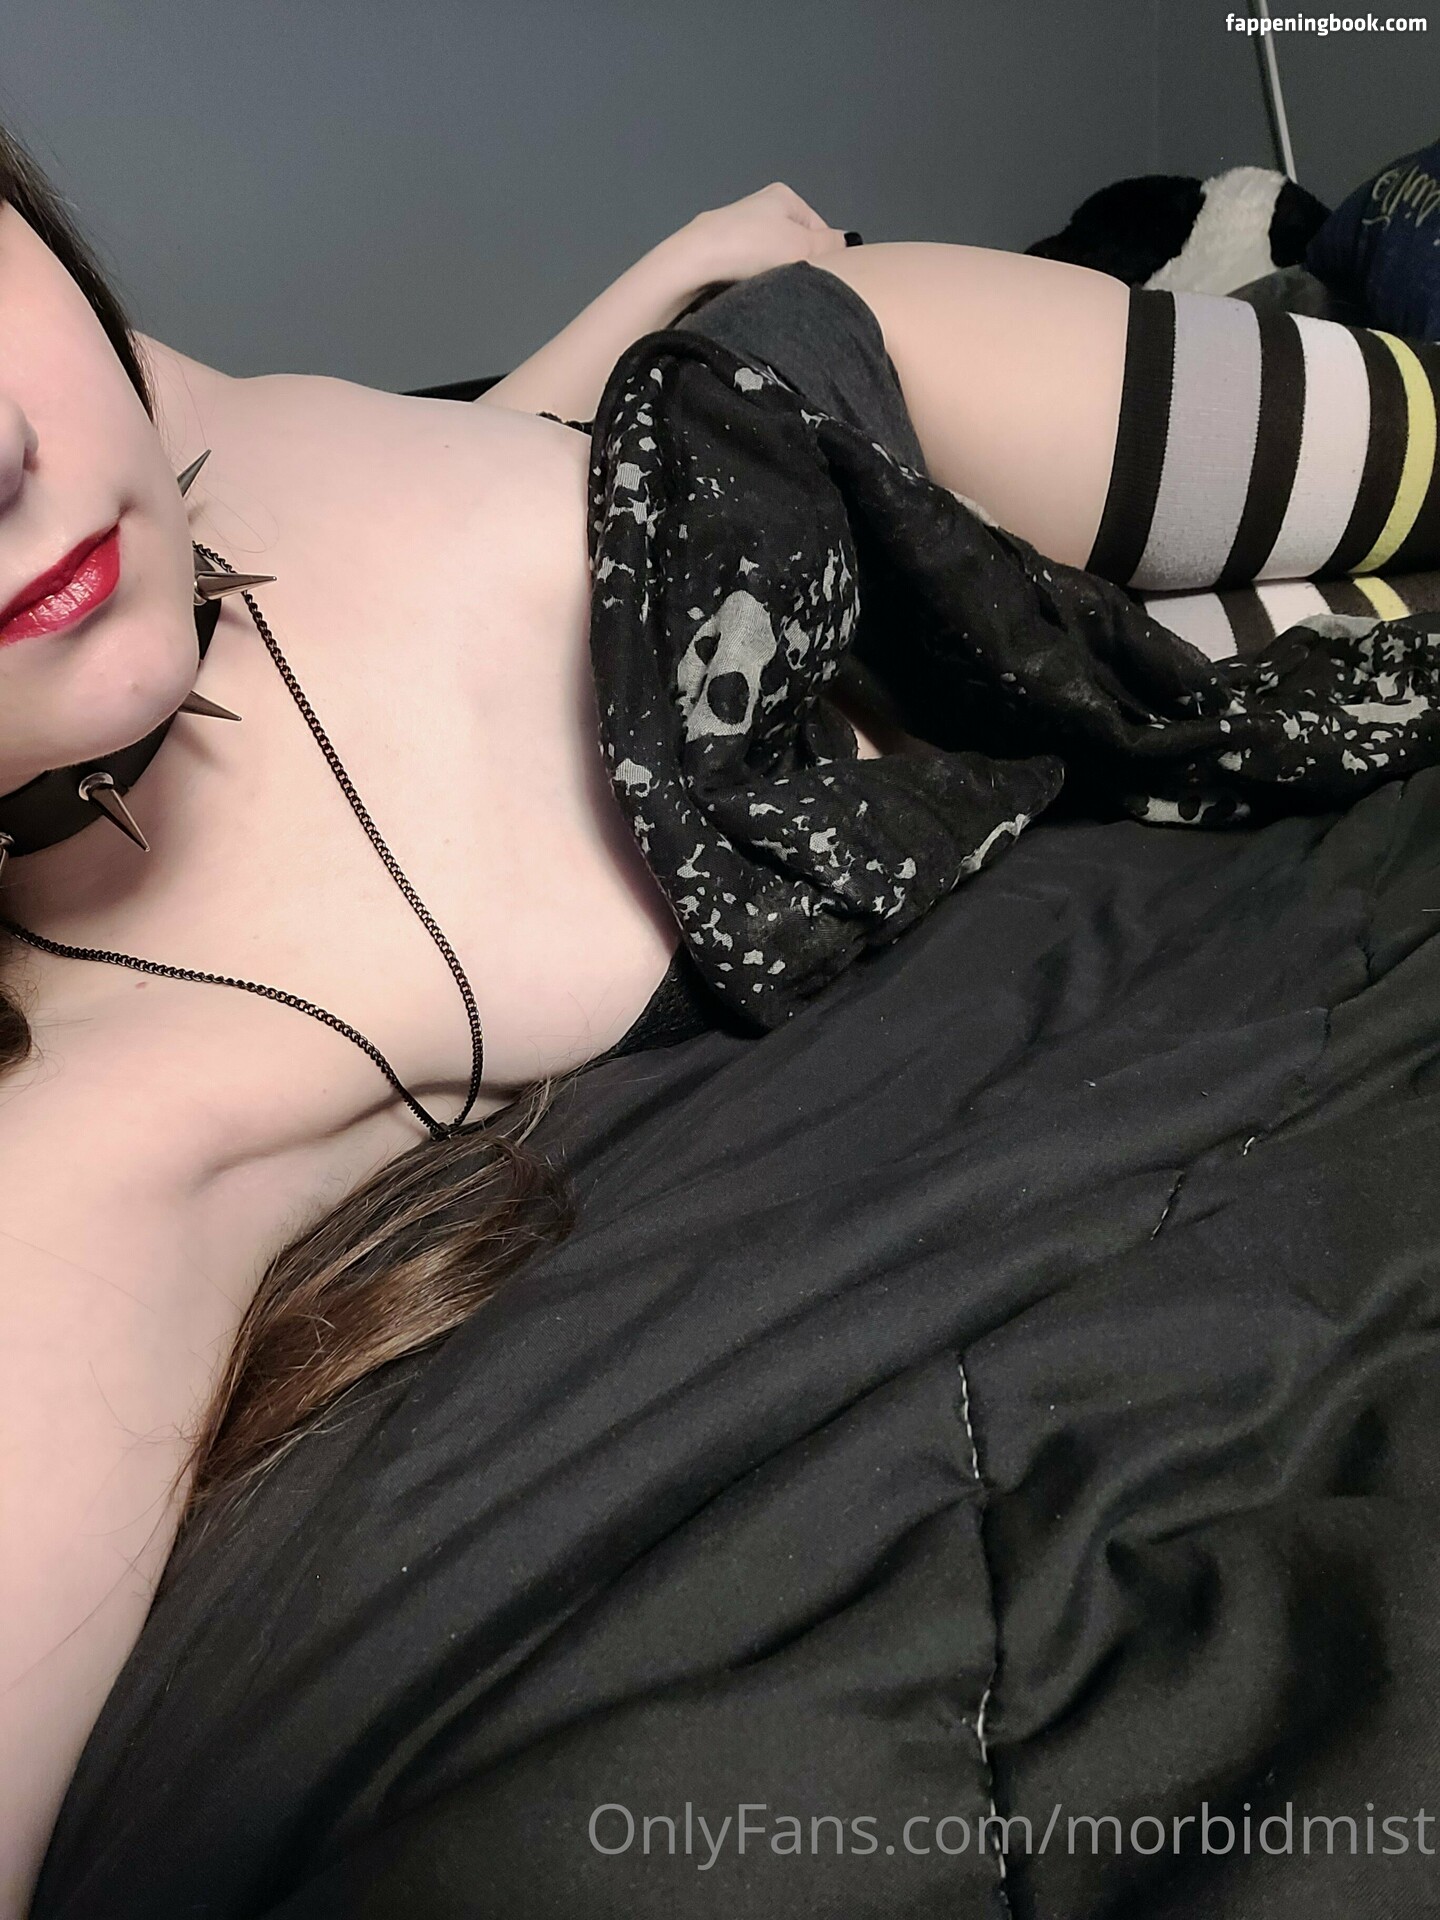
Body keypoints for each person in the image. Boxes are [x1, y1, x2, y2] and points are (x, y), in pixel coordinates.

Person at [2, 117, 1438, 1916]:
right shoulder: (87, 1152)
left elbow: (436, 457)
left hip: (850, 410)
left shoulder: (113, 388)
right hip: (972, 757)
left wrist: (644, 296)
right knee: (1379, 653)